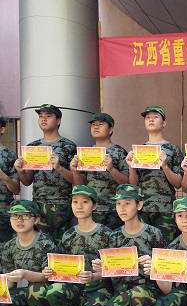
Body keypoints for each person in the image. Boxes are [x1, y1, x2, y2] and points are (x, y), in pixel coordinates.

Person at [92, 184, 164, 306]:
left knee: (139, 294)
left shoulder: (153, 233)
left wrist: (153, 263)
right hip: (122, 291)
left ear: (139, 205)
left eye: (127, 203)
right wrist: (101, 269)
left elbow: (164, 266)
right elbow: (111, 269)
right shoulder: (114, 236)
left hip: (147, 290)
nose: (122, 208)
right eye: (118, 204)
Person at [41, 186, 113, 306]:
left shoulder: (107, 234)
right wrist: (50, 270)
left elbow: (116, 269)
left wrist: (95, 275)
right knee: (53, 290)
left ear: (94, 206)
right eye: (75, 202)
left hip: (99, 290)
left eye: (85, 202)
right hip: (75, 288)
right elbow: (60, 263)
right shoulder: (68, 235)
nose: (79, 206)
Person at [15, 104, 76, 244]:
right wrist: (20, 170)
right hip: (38, 206)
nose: (43, 119)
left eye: (48, 116)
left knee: (62, 245)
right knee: (41, 245)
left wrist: (59, 167)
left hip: (62, 205)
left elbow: (77, 180)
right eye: (41, 116)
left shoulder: (69, 146)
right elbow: (27, 181)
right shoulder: (32, 147)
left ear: (58, 121)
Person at [0, 200, 55, 306]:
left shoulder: (45, 243)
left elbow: (48, 277)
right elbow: (9, 280)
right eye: (15, 216)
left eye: (25, 216)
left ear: (35, 219)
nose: (19, 220)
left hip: (47, 290)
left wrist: (24, 274)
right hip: (26, 291)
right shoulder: (9, 246)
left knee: (36, 289)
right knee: (3, 300)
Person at [126, 105, 183, 243]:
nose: (151, 120)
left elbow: (178, 183)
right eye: (147, 118)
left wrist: (165, 166)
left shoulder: (173, 149)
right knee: (144, 247)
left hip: (165, 209)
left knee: (164, 248)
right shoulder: (139, 151)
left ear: (164, 123)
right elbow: (133, 185)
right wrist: (131, 167)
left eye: (155, 117)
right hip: (143, 208)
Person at [70, 113, 129, 229]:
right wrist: (75, 171)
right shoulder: (85, 153)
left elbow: (127, 183)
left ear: (110, 130)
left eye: (100, 124)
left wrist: (111, 169)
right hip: (91, 210)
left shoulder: (119, 152)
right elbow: (80, 186)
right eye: (93, 125)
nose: (96, 127)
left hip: (113, 210)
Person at [0, 115, 20, 242]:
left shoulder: (10, 155)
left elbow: (16, 189)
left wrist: (4, 177)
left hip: (3, 211)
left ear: (2, 129)